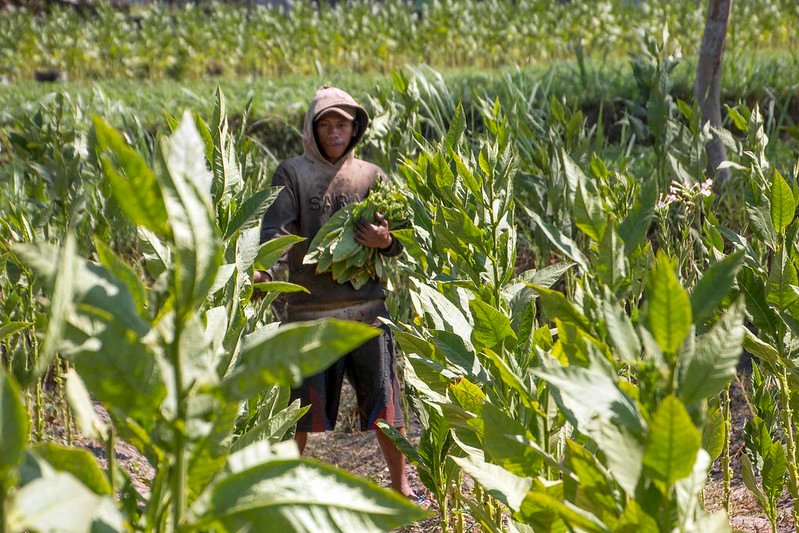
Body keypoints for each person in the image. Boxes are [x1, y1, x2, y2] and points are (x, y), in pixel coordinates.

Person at [257, 86, 415, 499]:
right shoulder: (292, 173)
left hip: (367, 311)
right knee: (296, 414)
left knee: (386, 407)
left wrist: (385, 241)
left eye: (341, 124)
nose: (333, 132)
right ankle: (284, 491)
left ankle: (400, 488)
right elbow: (275, 232)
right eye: (325, 124)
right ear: (311, 130)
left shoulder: (371, 175)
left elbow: (401, 236)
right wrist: (264, 271)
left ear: (355, 128)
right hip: (310, 311)